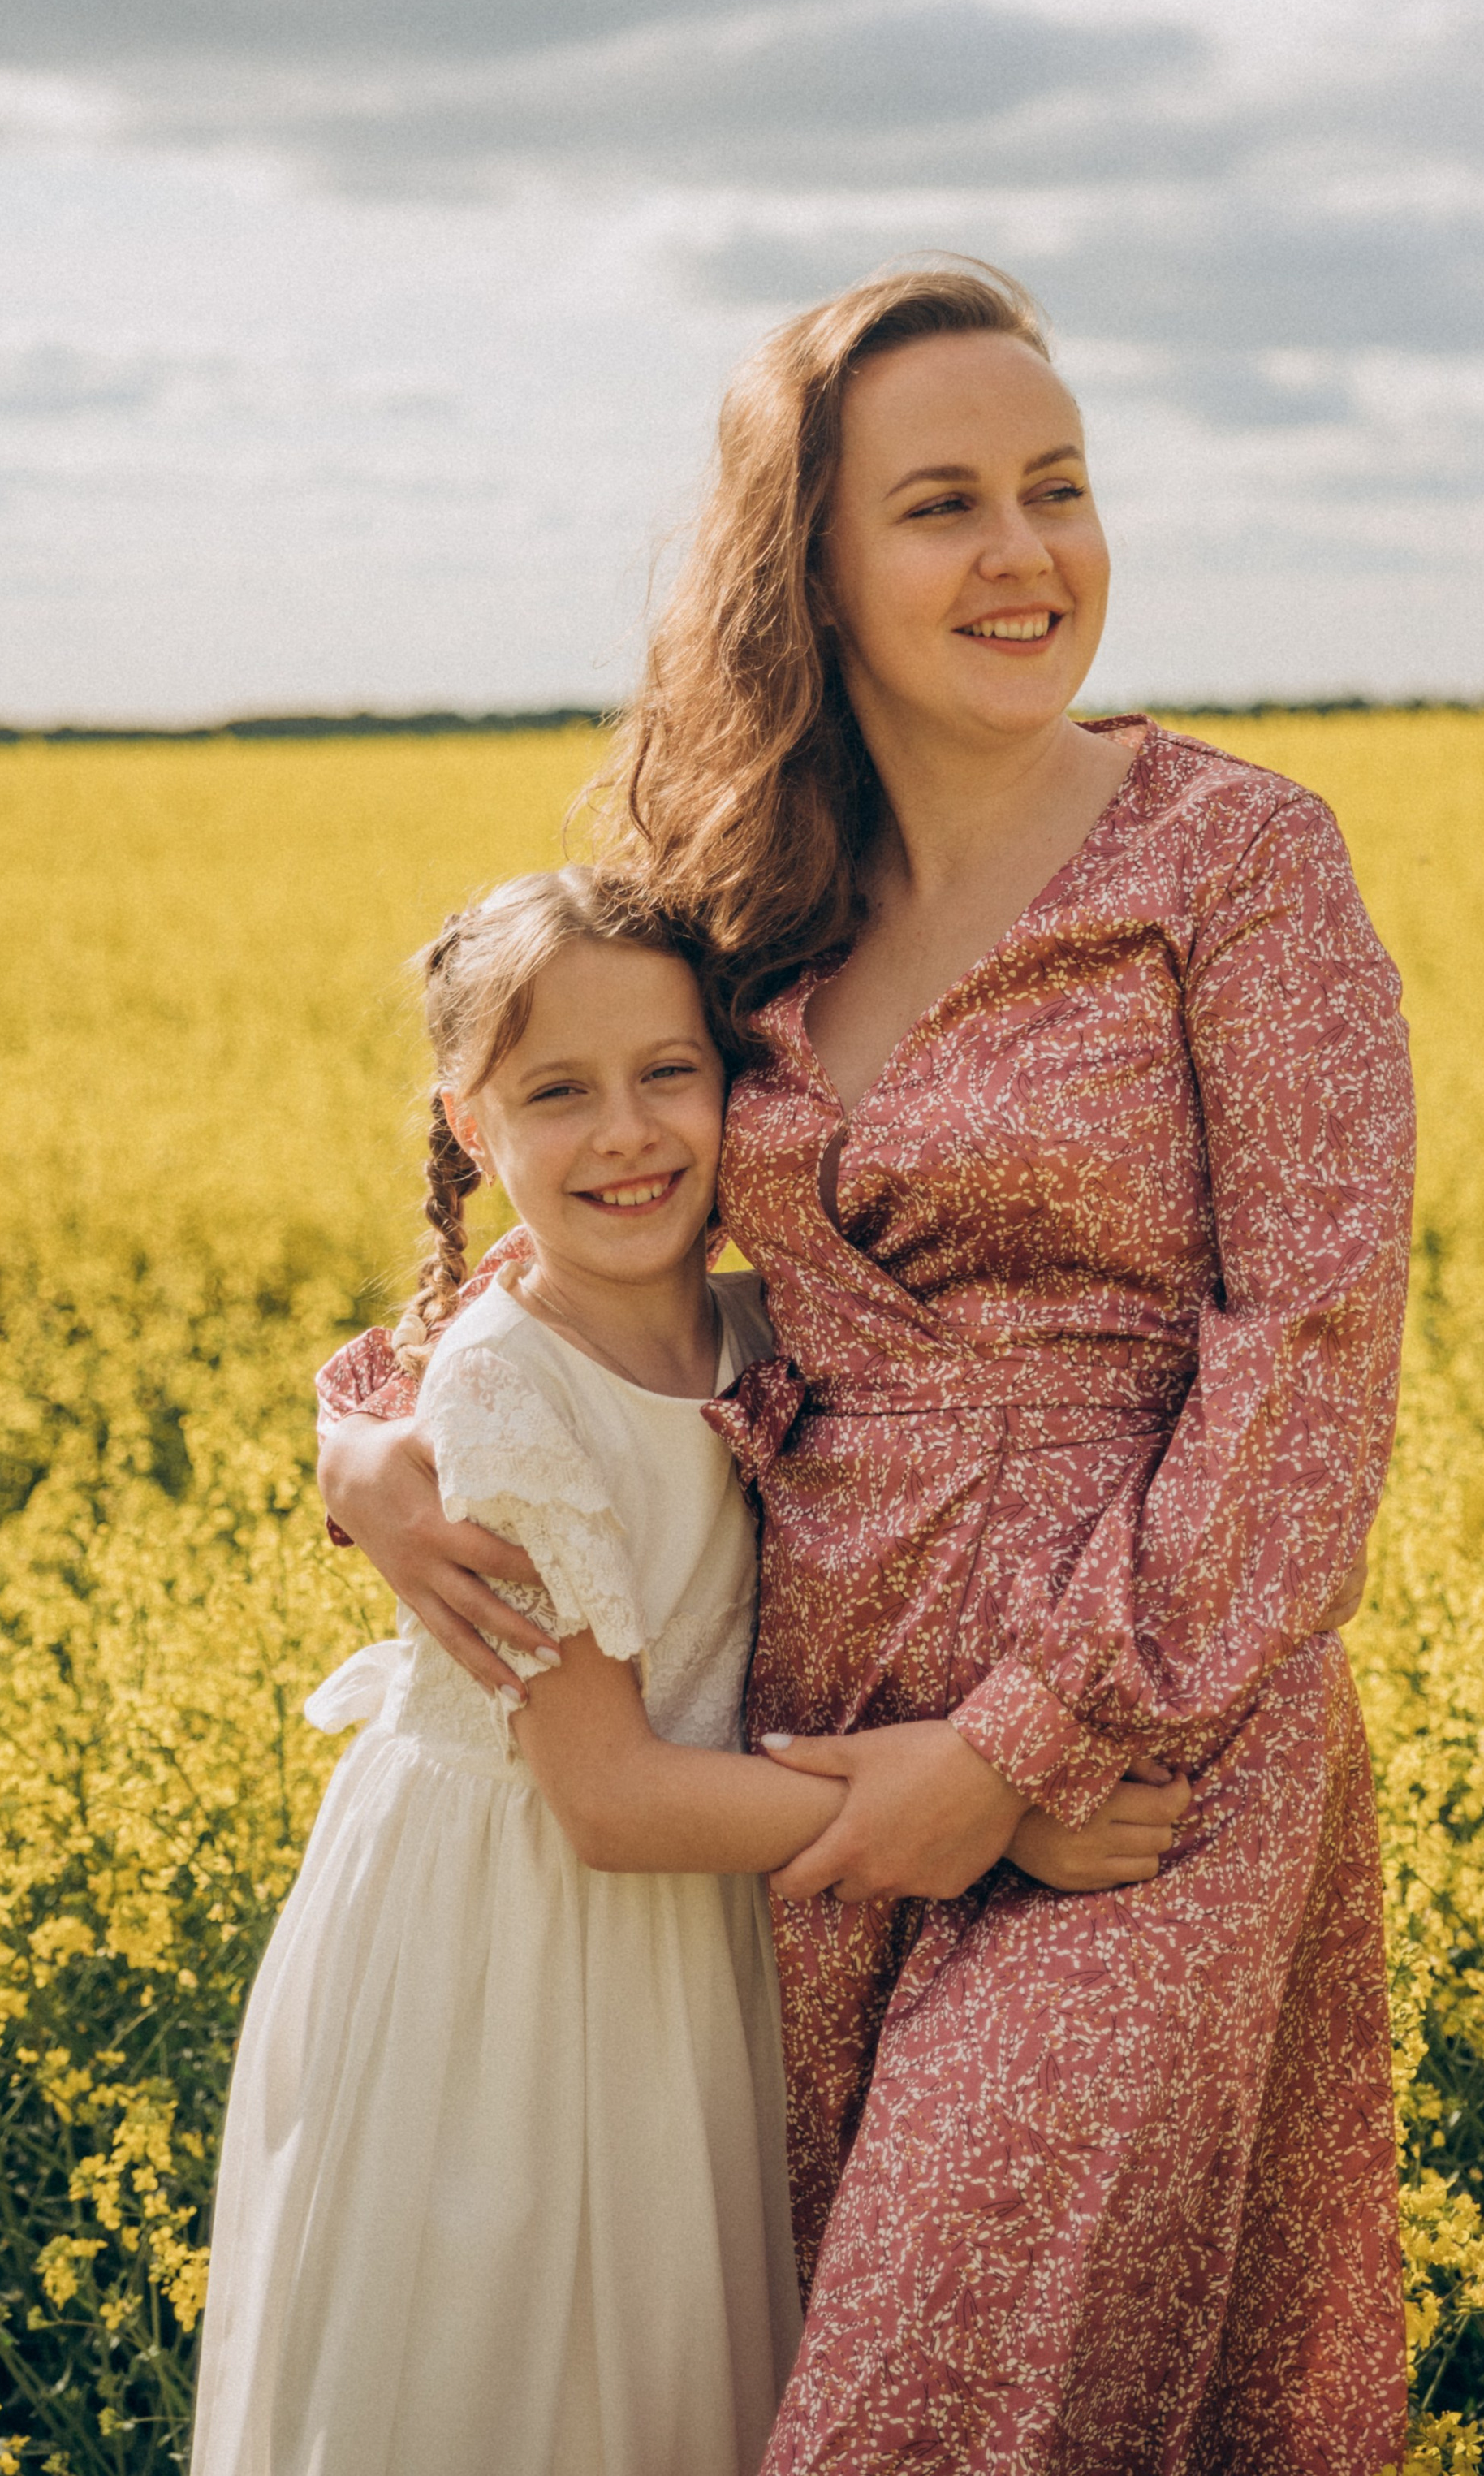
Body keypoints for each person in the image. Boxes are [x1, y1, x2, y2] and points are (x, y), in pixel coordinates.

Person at [324, 260, 1415, 2474]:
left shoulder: (1235, 861)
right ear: (810, 563)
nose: (1026, 553)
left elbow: (1310, 1368)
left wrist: (1010, 1751)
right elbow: (560, 1211)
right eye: (944, 504)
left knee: (937, 2396)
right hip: (818, 1732)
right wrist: (361, 1436)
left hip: (1139, 1763)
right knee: (849, 2370)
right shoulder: (743, 897)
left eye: (1061, 485)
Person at [197, 864, 1176, 2476]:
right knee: (525, 2372)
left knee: (666, 2372)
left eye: (668, 1073)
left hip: (685, 1907)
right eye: (556, 1093)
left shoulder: (748, 1318)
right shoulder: (509, 1386)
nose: (627, 1133)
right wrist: (995, 1809)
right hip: (518, 1933)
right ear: (468, 1121)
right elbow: (608, 1798)